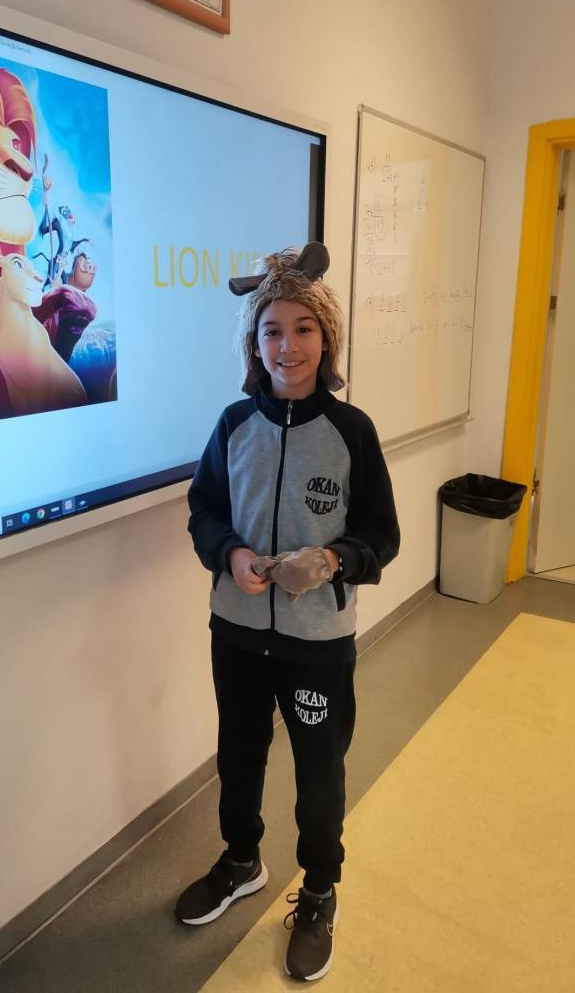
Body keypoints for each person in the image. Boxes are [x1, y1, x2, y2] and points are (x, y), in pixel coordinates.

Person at [175, 243, 399, 982]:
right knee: (238, 756)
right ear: (254, 342)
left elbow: (381, 534)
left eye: (304, 329)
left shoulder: (352, 431)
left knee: (318, 772)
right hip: (237, 634)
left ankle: (321, 888)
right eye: (272, 330)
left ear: (326, 338)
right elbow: (204, 509)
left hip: (316, 643)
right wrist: (231, 553)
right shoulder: (234, 423)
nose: (288, 345)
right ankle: (242, 860)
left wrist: (332, 561)